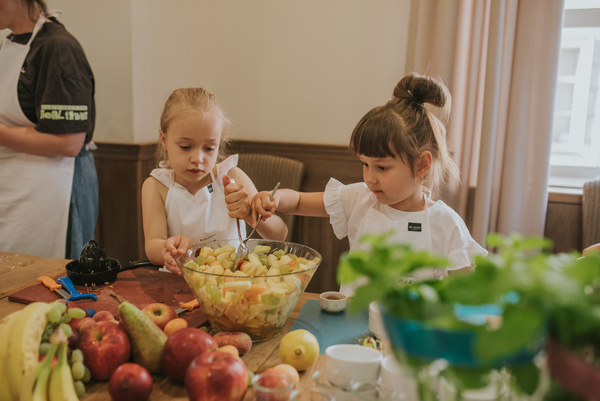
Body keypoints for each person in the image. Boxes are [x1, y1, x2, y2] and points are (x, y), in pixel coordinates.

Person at [252, 72, 488, 295]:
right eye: (365, 164)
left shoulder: (446, 224)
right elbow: (299, 201)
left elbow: (466, 292)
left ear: (422, 165)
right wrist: (275, 199)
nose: (370, 178)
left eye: (382, 167)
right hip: (352, 329)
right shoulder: (361, 198)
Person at [142, 87, 287, 273]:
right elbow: (152, 244)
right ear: (164, 139)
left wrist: (251, 213)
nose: (198, 158)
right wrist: (166, 248)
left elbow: (280, 234)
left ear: (220, 142)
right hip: (180, 283)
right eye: (186, 147)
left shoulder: (232, 177)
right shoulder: (156, 186)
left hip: (233, 283)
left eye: (209, 148)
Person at [0, 0, 98, 259]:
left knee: (49, 282)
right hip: (13, 189)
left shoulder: (58, 49)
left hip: (56, 187)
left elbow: (67, 143)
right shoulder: (7, 43)